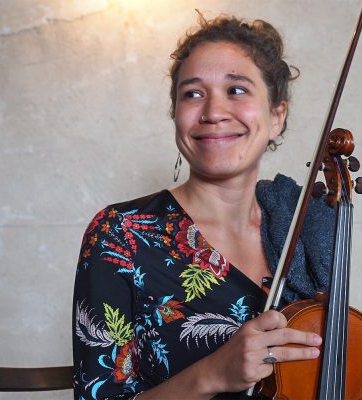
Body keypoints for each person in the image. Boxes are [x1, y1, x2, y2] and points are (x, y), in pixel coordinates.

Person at [72, 14, 335, 400]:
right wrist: (211, 374)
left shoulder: (305, 228)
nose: (213, 112)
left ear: (276, 116)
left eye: (237, 90)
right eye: (192, 93)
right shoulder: (120, 234)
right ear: (176, 114)